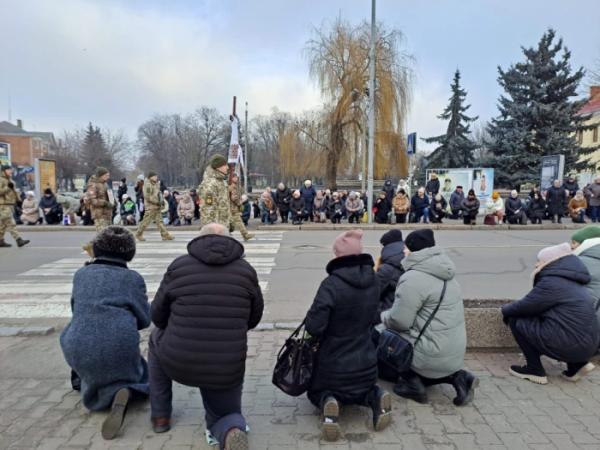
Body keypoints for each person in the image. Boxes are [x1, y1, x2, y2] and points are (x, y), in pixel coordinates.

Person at [148, 223, 263, 449]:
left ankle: (160, 415)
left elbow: (157, 316)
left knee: (155, 338)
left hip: (178, 360)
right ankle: (230, 428)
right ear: (231, 241)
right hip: (226, 365)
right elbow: (254, 318)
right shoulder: (245, 270)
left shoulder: (178, 266)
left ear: (198, 240)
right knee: (224, 412)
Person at [60, 226, 150, 440]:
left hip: (77, 345)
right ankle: (127, 389)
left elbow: (76, 310)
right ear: (129, 253)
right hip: (119, 344)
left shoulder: (81, 274)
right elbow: (145, 320)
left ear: (97, 248)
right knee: (144, 372)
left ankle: (91, 384)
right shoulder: (132, 278)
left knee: (72, 334)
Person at [305, 230, 392, 441]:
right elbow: (375, 318)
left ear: (338, 255)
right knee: (364, 389)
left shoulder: (331, 284)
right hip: (367, 365)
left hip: (332, 367)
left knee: (315, 392)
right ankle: (375, 396)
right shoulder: (374, 280)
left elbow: (314, 326)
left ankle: (329, 400)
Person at [380, 229, 478, 406]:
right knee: (428, 340)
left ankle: (413, 384)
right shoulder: (447, 272)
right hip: (455, 353)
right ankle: (458, 377)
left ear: (413, 251)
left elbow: (399, 321)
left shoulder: (412, 278)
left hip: (430, 355)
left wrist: (383, 316)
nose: (403, 251)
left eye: (407, 248)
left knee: (382, 334)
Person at [502, 243, 599, 384]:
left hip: (571, 344)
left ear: (550, 262)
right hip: (589, 346)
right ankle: (577, 365)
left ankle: (534, 370)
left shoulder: (552, 282)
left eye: (540, 261)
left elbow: (526, 306)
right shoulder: (573, 280)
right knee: (564, 325)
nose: (536, 265)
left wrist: (504, 309)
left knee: (516, 319)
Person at [82, 167, 114, 255]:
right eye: (106, 175)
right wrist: (105, 203)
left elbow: (109, 196)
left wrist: (113, 202)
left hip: (107, 213)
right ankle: (93, 249)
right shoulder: (93, 185)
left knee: (106, 233)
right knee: (103, 233)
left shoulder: (105, 184)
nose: (108, 177)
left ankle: (90, 246)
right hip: (98, 213)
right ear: (101, 176)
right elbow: (92, 200)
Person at [375, 229, 404, 320]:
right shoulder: (408, 256)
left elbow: (373, 292)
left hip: (390, 313)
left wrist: (376, 269)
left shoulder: (386, 268)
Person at [135, 172, 174, 241]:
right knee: (146, 222)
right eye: (155, 176)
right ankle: (138, 234)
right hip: (151, 207)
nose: (156, 177)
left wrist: (161, 202)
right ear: (150, 177)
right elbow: (147, 197)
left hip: (157, 206)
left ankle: (165, 235)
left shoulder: (155, 184)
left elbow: (158, 194)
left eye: (156, 176)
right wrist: (157, 202)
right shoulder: (147, 185)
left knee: (160, 222)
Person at [0, 165, 29, 247]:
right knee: (11, 223)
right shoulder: (1, 180)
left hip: (9, 204)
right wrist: (8, 188)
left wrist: (19, 200)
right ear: (3, 171)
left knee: (3, 225)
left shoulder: (11, 180)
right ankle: (18, 240)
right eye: (9, 170)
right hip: (2, 205)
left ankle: (0, 241)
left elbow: (14, 192)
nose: (11, 171)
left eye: (11, 170)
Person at [198, 154, 231, 229]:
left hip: (223, 226)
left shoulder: (221, 181)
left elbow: (224, 204)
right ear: (218, 167)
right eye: (225, 165)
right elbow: (208, 209)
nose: (227, 167)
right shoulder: (210, 184)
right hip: (216, 229)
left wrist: (229, 221)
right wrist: (211, 230)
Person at [229, 174, 253, 240]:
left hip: (232, 208)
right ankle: (245, 235)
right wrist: (239, 203)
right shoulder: (233, 187)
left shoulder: (235, 186)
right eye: (235, 177)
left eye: (237, 178)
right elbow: (234, 198)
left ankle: (245, 235)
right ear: (232, 178)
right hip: (233, 208)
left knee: (235, 222)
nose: (237, 179)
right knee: (236, 222)